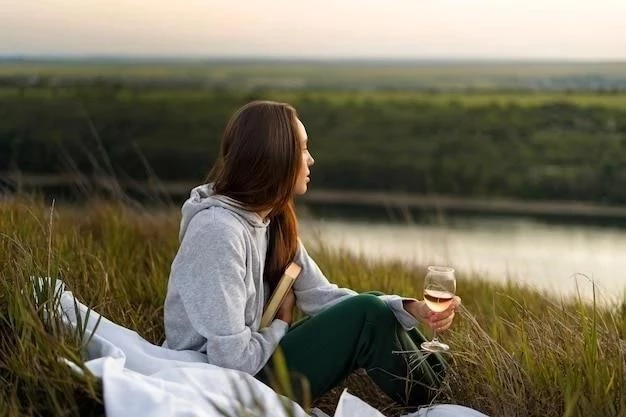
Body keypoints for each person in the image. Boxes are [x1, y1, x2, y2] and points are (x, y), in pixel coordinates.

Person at [163, 100, 461, 408]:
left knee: (372, 306)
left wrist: (409, 308)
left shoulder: (273, 219)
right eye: (304, 149)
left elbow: (324, 297)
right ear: (276, 157)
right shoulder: (218, 232)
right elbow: (231, 361)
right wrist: (282, 322)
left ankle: (441, 400)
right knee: (367, 314)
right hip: (218, 387)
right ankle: (438, 408)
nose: (312, 160)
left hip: (250, 368)